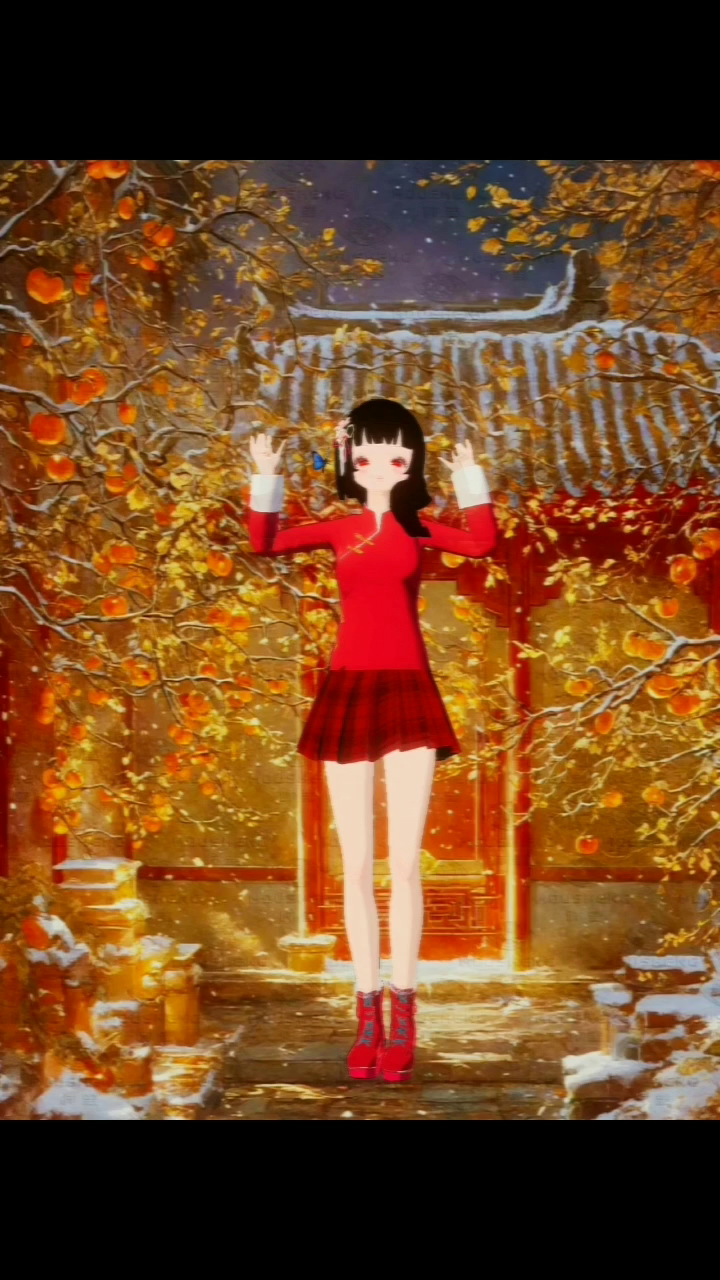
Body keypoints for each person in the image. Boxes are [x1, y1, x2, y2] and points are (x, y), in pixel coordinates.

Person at [247, 398, 497, 1083]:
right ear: (348, 461)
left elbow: (482, 544)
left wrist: (471, 480)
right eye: (365, 455)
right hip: (348, 690)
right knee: (356, 866)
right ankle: (366, 1014)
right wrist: (264, 478)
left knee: (404, 864)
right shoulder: (340, 529)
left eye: (396, 456)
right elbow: (265, 543)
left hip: (409, 690)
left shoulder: (419, 530)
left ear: (412, 463)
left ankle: (405, 1012)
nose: (381, 467)